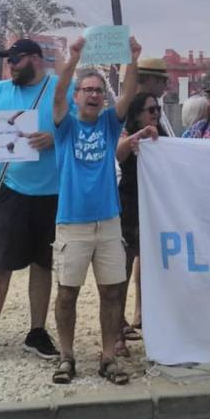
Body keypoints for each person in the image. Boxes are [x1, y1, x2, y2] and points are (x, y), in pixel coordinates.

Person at [49, 35, 153, 385]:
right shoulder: (65, 127)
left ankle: (108, 356)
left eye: (98, 91)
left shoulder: (110, 125)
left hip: (109, 222)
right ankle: (66, 356)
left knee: (111, 291)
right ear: (76, 96)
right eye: (87, 90)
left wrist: (134, 59)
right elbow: (57, 93)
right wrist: (73, 60)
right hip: (72, 223)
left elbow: (127, 94)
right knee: (67, 293)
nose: (94, 95)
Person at [0, 38, 71, 366]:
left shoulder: (60, 88)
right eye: (8, 59)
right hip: (11, 189)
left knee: (43, 265)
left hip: (52, 192)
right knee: (0, 266)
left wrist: (54, 139)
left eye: (16, 58)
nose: (10, 64)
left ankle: (37, 331)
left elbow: (79, 128)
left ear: (37, 59)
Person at [117, 89, 168, 346]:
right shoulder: (128, 135)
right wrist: (140, 136)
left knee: (149, 264)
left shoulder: (164, 137)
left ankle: (142, 314)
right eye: (151, 110)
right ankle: (117, 322)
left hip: (155, 207)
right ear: (137, 115)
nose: (156, 114)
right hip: (131, 206)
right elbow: (119, 153)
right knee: (124, 267)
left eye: (157, 109)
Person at [135, 56, 175, 136]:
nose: (166, 86)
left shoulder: (155, 105)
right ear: (150, 79)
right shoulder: (127, 109)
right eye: (164, 81)